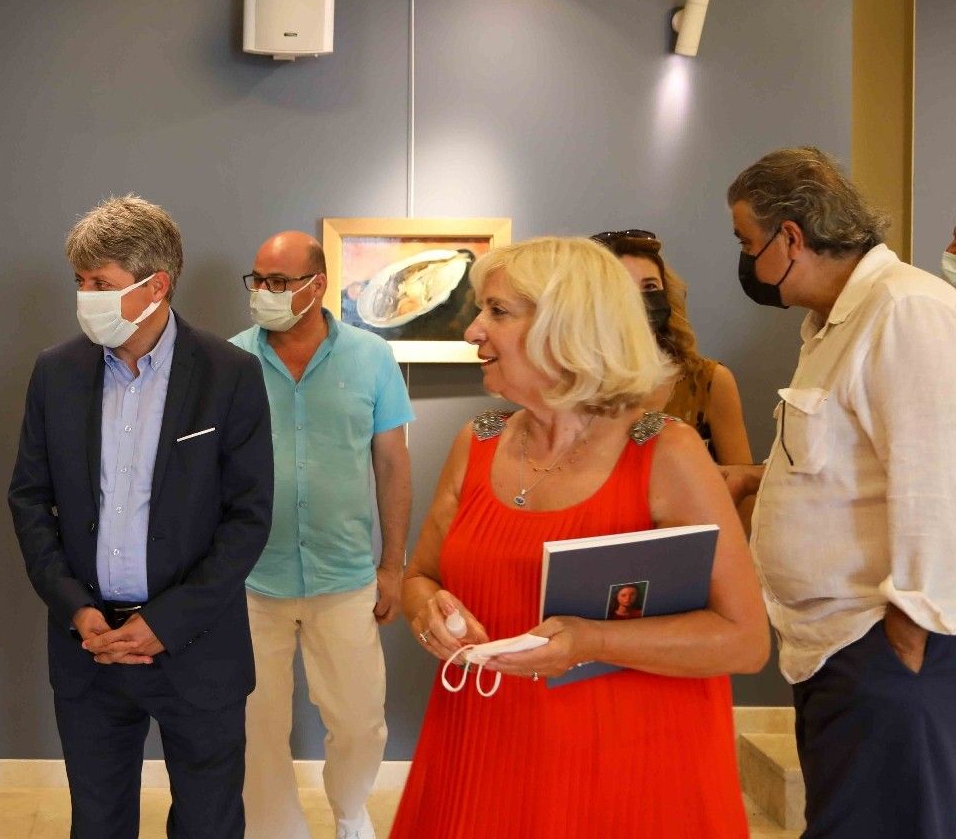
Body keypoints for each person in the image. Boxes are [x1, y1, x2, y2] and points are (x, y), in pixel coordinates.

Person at [390, 237, 769, 839]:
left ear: (565, 328)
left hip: (625, 771)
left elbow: (744, 642)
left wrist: (589, 641)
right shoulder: (476, 442)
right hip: (485, 752)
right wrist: (427, 610)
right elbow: (420, 577)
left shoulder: (665, 453)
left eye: (497, 311)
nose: (473, 331)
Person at [7, 194, 274, 838]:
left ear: (157, 286)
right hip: (89, 647)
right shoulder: (55, 372)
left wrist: (167, 621)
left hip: (197, 648)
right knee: (98, 823)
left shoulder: (230, 373)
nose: (85, 297)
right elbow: (29, 498)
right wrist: (75, 608)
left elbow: (248, 517)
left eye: (101, 283)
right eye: (79, 281)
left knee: (208, 824)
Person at [720, 147, 956, 837]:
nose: (745, 259)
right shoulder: (832, 325)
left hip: (885, 651)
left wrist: (907, 637)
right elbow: (849, 462)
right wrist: (757, 477)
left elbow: (937, 481)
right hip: (836, 651)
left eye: (747, 242)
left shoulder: (906, 310)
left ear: (790, 237)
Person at [229, 231, 414, 839]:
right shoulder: (231, 361)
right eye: (258, 280)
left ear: (318, 285)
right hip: (252, 580)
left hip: (345, 575)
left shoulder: (372, 357)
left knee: (360, 723)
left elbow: (392, 464)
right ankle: (275, 830)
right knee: (256, 725)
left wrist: (394, 565)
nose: (264, 292)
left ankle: (351, 813)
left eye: (279, 282)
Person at [590, 230, 753, 466]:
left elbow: (741, 481)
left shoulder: (708, 381)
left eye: (650, 287)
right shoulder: (576, 387)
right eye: (623, 289)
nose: (640, 301)